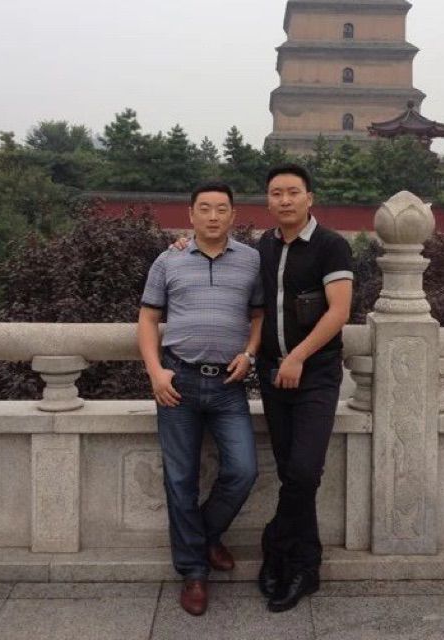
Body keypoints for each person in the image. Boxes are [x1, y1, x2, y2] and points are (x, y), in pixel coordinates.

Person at [138, 181, 263, 616]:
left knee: (244, 470)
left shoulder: (251, 260)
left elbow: (259, 315)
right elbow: (148, 319)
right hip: (179, 383)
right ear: (190, 214)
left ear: (233, 215)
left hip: (228, 385)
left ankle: (204, 536)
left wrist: (250, 353)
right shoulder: (168, 259)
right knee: (180, 480)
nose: (213, 216)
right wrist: (155, 372)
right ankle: (194, 572)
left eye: (221, 209)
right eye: (204, 208)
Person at [257, 164, 353, 612]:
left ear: (309, 198)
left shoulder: (331, 246)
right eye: (276, 193)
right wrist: (181, 246)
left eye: (293, 192)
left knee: (303, 471)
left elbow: (338, 311)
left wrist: (298, 356)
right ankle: (303, 567)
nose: (285, 200)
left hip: (316, 373)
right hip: (273, 375)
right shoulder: (264, 245)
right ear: (268, 200)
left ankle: (275, 544)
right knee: (291, 472)